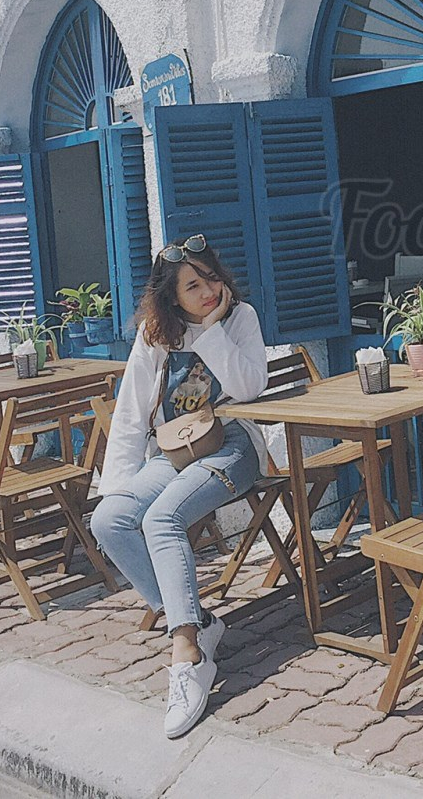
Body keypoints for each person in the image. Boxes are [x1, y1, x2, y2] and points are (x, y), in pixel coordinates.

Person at [90, 234, 269, 739]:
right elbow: (130, 416)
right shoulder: (155, 336)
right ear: (171, 296)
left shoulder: (240, 318)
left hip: (232, 443)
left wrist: (212, 331)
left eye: (210, 278)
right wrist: (118, 488)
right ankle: (198, 622)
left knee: (162, 519)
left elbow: (250, 386)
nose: (208, 291)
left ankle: (187, 654)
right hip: (173, 450)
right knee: (109, 520)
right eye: (193, 286)